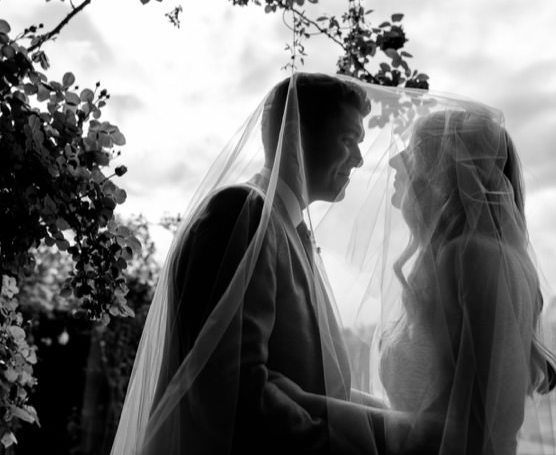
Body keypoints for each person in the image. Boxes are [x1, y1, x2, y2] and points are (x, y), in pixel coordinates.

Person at [111, 73, 396, 455]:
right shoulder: (240, 214)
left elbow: (316, 385)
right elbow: (230, 392)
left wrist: (394, 427)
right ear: (296, 137)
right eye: (348, 141)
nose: (360, 159)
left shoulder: (288, 228)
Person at [377, 107, 556, 455]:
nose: (394, 162)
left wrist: (318, 411)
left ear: (444, 172)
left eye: (414, 151)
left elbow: (464, 430)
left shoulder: (471, 256)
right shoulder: (469, 255)